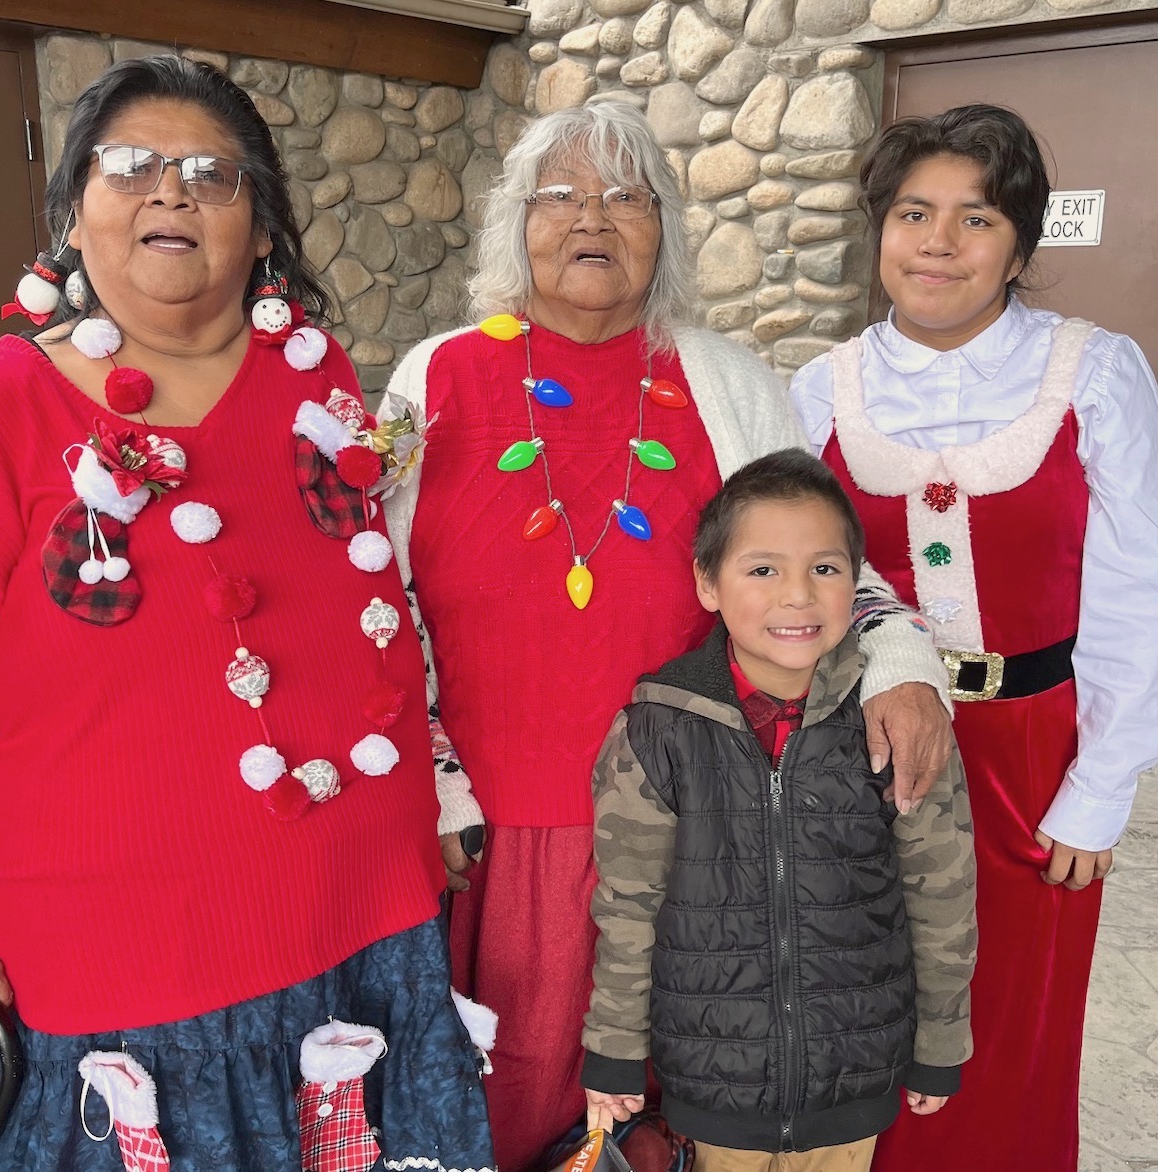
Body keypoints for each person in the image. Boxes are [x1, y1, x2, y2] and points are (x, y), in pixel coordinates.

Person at [0, 55, 493, 1171]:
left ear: (261, 229)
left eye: (212, 171)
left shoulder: (319, 380)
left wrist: (421, 808)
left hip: (361, 937)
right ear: (75, 212)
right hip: (114, 979)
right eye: (131, 167)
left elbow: (368, 615)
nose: (171, 191)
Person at [382, 102, 957, 1170]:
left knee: (686, 1107)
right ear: (518, 220)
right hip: (505, 836)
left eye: (625, 195)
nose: (591, 218)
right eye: (560, 194)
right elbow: (378, 596)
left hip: (706, 827)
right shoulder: (436, 378)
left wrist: (904, 662)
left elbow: (828, 563)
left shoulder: (726, 380)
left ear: (665, 228)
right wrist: (438, 781)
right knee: (512, 1105)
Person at [790, 104, 1158, 1172]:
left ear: (1019, 242)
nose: (937, 241)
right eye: (914, 212)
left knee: (1006, 1031)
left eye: (975, 218)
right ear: (878, 228)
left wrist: (1101, 782)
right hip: (858, 758)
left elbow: (1139, 588)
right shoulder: (820, 391)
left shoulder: (1093, 375)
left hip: (1029, 758)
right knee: (861, 1020)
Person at [580, 450, 977, 1170]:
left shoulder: (893, 724)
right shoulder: (659, 726)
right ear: (709, 583)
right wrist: (613, 1051)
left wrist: (942, 1044)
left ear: (854, 585)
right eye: (763, 569)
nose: (797, 595)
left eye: (824, 569)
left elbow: (942, 890)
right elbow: (628, 906)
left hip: (853, 1081)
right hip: (713, 1088)